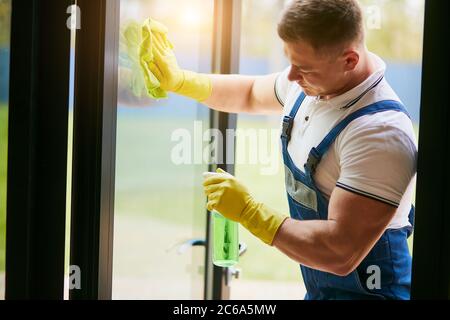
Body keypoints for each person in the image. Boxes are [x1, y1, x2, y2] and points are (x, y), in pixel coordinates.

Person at [142, 0, 418, 300]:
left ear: (349, 60)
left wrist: (251, 213)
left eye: (303, 68)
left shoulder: (379, 133)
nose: (291, 78)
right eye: (291, 63)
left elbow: (341, 252)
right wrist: (180, 80)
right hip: (321, 291)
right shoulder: (313, 83)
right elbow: (248, 94)